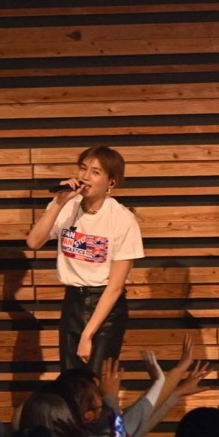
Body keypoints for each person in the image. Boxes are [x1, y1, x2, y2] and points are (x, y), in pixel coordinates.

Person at [26, 145, 144, 372]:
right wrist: (59, 202)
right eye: (83, 168)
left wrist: (87, 335)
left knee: (95, 380)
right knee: (71, 380)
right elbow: (34, 242)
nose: (85, 176)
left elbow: (115, 287)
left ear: (111, 183)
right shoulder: (66, 206)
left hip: (105, 307)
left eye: (95, 172)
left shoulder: (122, 219)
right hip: (73, 301)